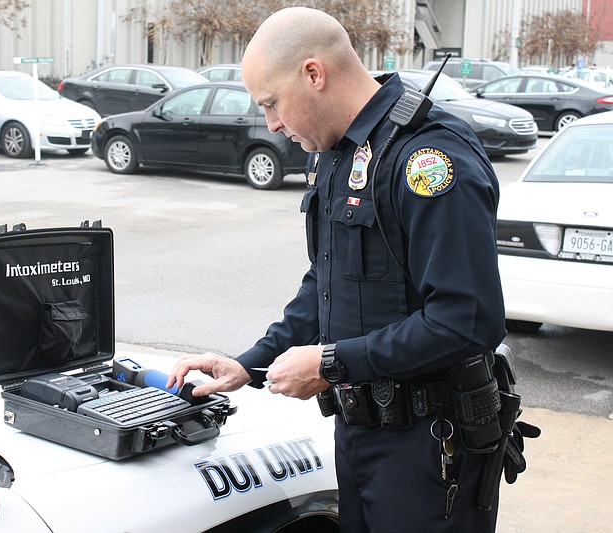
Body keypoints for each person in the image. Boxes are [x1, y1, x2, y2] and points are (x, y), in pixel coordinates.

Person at [168, 7, 508, 532]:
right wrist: (251, 365)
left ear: (313, 74)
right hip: (358, 433)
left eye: (272, 104)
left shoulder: (428, 158)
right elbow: (326, 285)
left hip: (430, 449)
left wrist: (330, 364)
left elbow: (467, 321)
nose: (272, 125)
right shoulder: (339, 153)